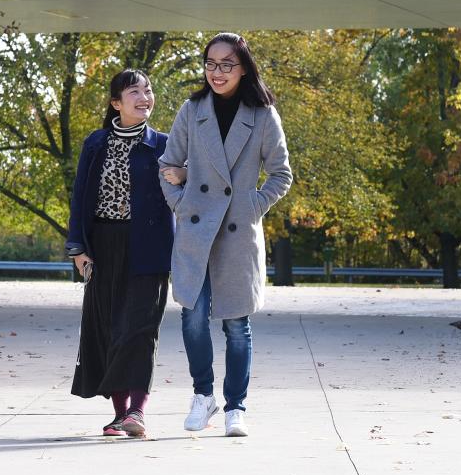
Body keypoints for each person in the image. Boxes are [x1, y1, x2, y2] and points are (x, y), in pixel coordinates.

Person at [159, 32, 292, 437]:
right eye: (210, 64)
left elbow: (281, 174)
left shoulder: (263, 115)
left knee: (236, 324)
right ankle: (203, 395)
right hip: (197, 230)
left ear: (243, 68)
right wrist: (182, 202)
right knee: (194, 318)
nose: (217, 73)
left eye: (226, 65)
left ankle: (236, 406)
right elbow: (167, 165)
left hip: (237, 233)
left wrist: (251, 205)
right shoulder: (192, 109)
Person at [66, 69, 174, 438]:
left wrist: (185, 176)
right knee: (110, 328)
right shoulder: (96, 143)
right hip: (104, 246)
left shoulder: (165, 145)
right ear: (116, 103)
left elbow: (185, 191)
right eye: (134, 91)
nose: (145, 96)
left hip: (150, 246)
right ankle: (119, 413)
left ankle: (138, 411)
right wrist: (78, 249)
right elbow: (80, 197)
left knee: (141, 329)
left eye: (148, 89)